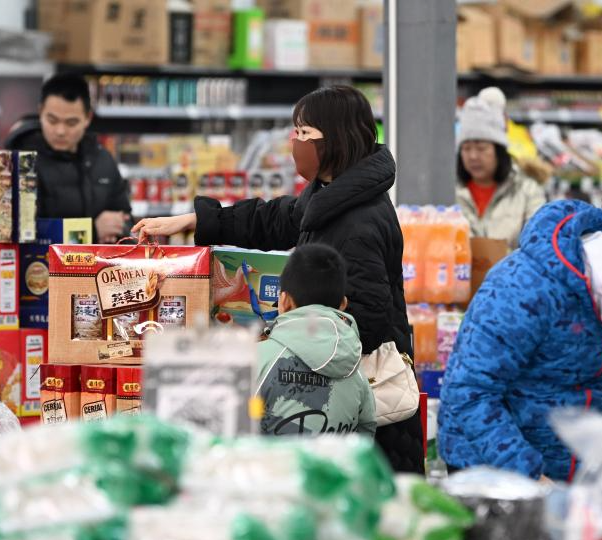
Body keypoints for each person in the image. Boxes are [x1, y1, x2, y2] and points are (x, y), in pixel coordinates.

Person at [133, 85, 423, 473]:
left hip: (360, 420)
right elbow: (276, 219)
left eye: (304, 133)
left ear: (335, 139)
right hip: (334, 408)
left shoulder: (358, 222)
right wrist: (196, 221)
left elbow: (365, 324)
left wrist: (282, 335)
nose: (294, 142)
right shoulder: (333, 193)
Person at [439, 200, 602, 480]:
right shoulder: (521, 289)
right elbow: (469, 392)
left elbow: (601, 384)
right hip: (491, 464)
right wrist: (529, 475)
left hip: (564, 462)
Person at [256, 244, 376, 437]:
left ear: (284, 301)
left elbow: (235, 427)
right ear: (343, 304)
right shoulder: (355, 370)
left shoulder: (258, 360)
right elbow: (366, 431)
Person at [5, 72, 131, 243]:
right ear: (40, 112)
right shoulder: (20, 161)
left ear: (87, 118)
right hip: (41, 260)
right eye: (52, 120)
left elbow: (126, 220)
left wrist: (118, 227)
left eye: (71, 123)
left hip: (99, 260)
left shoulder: (102, 159)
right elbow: (19, 231)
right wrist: (91, 232)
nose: (60, 131)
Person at [456, 87, 546, 249]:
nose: (473, 156)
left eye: (481, 148)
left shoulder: (527, 192)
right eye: (466, 148)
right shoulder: (450, 192)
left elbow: (539, 244)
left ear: (499, 151)